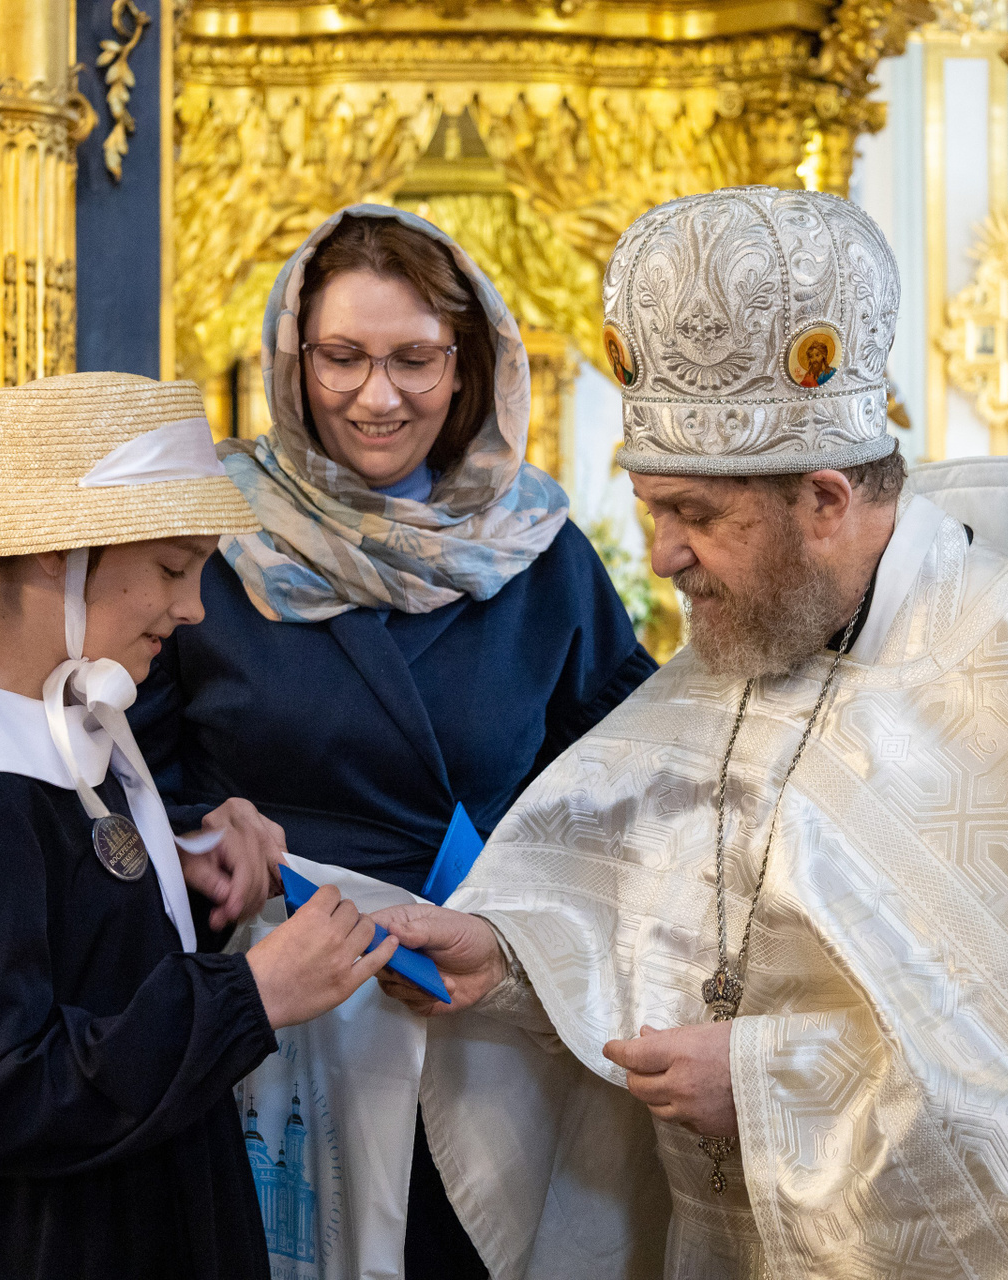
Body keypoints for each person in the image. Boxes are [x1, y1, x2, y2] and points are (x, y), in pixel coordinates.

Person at [373, 187, 1008, 1279]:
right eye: (654, 509)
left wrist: (769, 1090)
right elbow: (649, 893)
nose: (662, 555)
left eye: (696, 515)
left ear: (827, 500)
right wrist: (509, 961)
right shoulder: (764, 625)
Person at [129, 206, 655, 1277]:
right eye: (343, 357)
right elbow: (120, 773)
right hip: (270, 1010)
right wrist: (202, 842)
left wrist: (525, 934)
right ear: (293, 360)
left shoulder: (539, 548)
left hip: (478, 1012)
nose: (378, 396)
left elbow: (630, 779)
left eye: (415, 358)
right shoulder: (211, 534)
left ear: (468, 366)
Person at [0, 372, 398, 1280]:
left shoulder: (59, 717)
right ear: (52, 556)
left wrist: (187, 860)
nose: (194, 608)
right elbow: (9, 1093)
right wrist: (250, 996)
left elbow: (77, 942)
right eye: (173, 569)